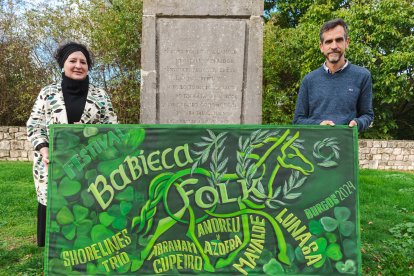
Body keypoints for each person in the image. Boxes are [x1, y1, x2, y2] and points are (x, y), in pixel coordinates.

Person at [27, 41, 118, 247]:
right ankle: (55, 254)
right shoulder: (47, 93)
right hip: (53, 164)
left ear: (88, 67)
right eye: (73, 60)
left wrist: (89, 135)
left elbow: (112, 126)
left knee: (86, 205)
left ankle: (86, 250)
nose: (78, 65)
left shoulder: (100, 95)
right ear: (63, 64)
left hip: (89, 163)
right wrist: (43, 147)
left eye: (83, 62)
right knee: (56, 206)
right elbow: (35, 124)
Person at [293, 18, 374, 131]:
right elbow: (297, 121)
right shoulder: (309, 80)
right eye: (329, 41)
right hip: (314, 146)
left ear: (347, 42)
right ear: (322, 47)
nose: (334, 46)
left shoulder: (362, 76)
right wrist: (318, 125)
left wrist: (358, 123)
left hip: (346, 145)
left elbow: (367, 115)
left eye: (339, 40)